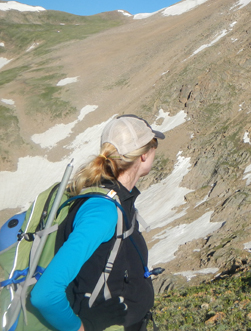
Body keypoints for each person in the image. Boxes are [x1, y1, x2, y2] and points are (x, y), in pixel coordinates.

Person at [30, 114, 165, 331]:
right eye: (153, 145)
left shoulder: (117, 198)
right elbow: (45, 294)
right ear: (143, 155)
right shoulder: (102, 212)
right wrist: (82, 328)